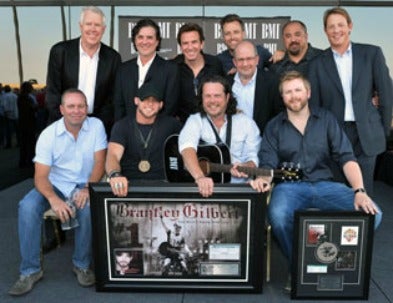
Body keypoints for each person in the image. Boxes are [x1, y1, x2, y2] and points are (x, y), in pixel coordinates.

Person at [250, 71, 382, 290]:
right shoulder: (274, 126)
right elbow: (267, 164)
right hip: (289, 189)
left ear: (308, 92)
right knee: (278, 216)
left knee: (374, 215)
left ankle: (329, 261)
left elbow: (347, 157)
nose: (294, 96)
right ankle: (299, 266)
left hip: (325, 186)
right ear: (282, 97)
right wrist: (262, 180)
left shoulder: (326, 119)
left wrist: (360, 190)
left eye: (298, 90)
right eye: (288, 92)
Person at [8, 89, 107, 296]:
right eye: (71, 106)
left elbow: (100, 162)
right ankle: (30, 271)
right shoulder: (48, 135)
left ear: (86, 108)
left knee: (87, 209)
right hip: (55, 186)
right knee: (27, 207)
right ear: (62, 109)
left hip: (84, 184)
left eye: (81, 106)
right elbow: (40, 176)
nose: (77, 111)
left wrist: (88, 188)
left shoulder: (96, 126)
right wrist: (53, 199)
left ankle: (81, 265)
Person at [308, 7, 393, 196]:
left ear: (350, 26)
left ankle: (367, 226)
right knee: (339, 192)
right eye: (331, 26)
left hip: (367, 134)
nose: (336, 30)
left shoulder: (371, 54)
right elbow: (315, 106)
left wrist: (383, 129)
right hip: (334, 134)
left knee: (364, 192)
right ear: (325, 31)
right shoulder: (317, 63)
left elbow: (387, 95)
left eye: (340, 25)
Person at [179, 74, 261, 197]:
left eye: (217, 96)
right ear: (202, 98)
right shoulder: (195, 120)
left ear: (227, 97)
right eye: (208, 96)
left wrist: (247, 166)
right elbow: (187, 148)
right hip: (203, 190)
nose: (212, 101)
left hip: (238, 191)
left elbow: (254, 156)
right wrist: (200, 177)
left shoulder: (246, 123)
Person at [45, 6, 121, 134]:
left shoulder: (113, 58)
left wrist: (92, 127)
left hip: (97, 130)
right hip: (62, 127)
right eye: (88, 24)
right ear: (81, 26)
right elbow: (53, 94)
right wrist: (70, 124)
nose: (92, 29)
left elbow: (112, 99)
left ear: (103, 29)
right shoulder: (60, 52)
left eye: (97, 25)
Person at [106, 82, 182, 197]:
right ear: (136, 100)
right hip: (129, 186)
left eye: (155, 101)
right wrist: (115, 175)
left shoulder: (172, 125)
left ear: (161, 104)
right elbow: (113, 155)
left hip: (164, 185)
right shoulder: (122, 126)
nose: (150, 104)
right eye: (145, 99)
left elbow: (187, 150)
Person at [114, 18, 179, 121]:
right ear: (134, 40)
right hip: (127, 132)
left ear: (157, 41)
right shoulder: (123, 69)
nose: (144, 42)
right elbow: (118, 106)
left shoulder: (170, 69)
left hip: (158, 133)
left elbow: (170, 107)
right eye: (140, 37)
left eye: (149, 37)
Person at [172, 23, 224, 123]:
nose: (190, 47)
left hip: (212, 126)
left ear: (202, 44)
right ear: (180, 46)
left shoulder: (215, 64)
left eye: (194, 42)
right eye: (185, 43)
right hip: (182, 128)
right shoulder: (173, 67)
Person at [229, 40, 282, 134]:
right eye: (240, 60)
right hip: (232, 144)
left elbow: (279, 117)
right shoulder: (226, 83)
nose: (245, 64)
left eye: (249, 59)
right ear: (234, 62)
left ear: (257, 60)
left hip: (263, 143)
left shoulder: (273, 82)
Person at [217, 14, 283, 75]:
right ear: (223, 37)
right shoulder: (218, 61)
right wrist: (228, 78)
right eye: (227, 33)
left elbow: (279, 71)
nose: (232, 37)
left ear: (243, 34)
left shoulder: (260, 52)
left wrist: (283, 55)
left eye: (236, 32)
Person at [17, 81, 38, 168]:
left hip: (23, 123)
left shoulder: (20, 97)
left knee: (24, 143)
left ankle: (23, 160)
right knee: (30, 143)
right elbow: (31, 109)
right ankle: (29, 160)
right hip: (29, 123)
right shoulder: (26, 98)